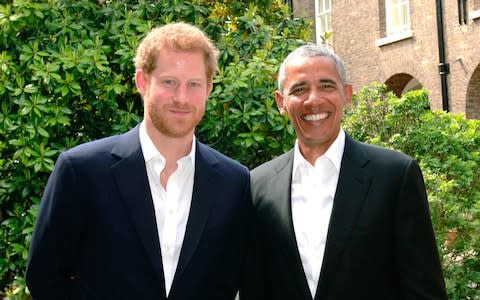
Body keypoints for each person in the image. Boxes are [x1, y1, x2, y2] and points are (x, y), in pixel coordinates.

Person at [26, 22, 252, 300]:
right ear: (142, 82)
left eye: (194, 84)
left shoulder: (234, 182)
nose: (181, 97)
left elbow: (232, 280)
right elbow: (45, 276)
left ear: (208, 89)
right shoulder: (82, 170)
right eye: (169, 82)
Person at [241, 44, 448, 299]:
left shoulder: (395, 176)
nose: (314, 100)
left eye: (327, 86)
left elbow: (424, 291)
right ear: (280, 102)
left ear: (347, 95)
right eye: (299, 89)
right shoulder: (257, 186)